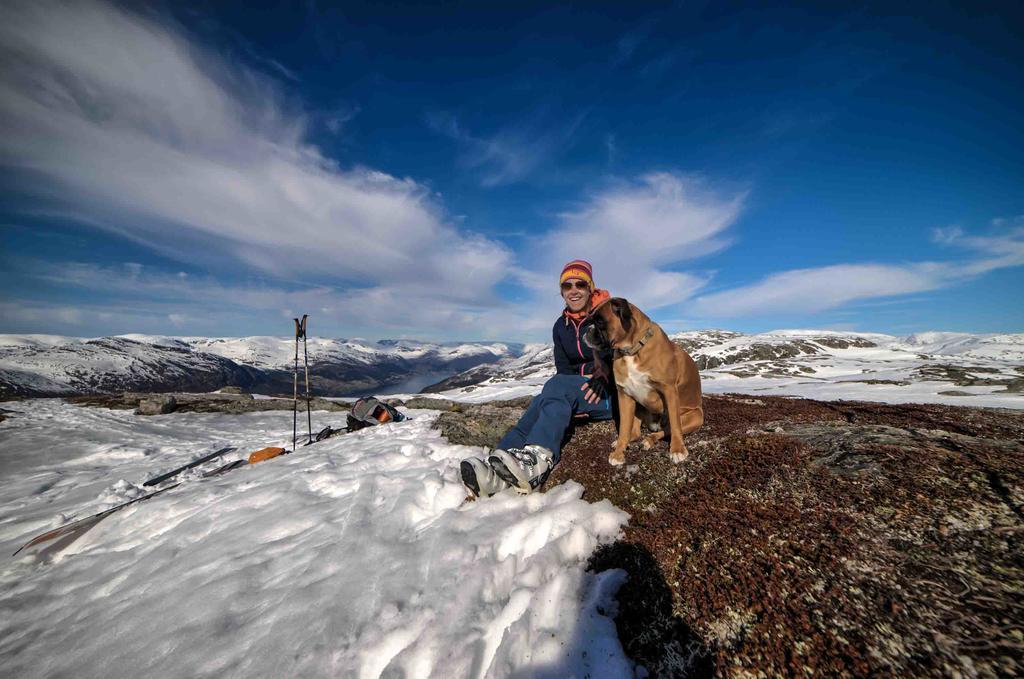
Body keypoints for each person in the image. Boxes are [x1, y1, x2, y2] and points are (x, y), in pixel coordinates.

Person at [461, 259, 614, 497]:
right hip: (580, 393)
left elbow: (631, 357)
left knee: (556, 387)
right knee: (540, 402)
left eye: (580, 284)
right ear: (561, 291)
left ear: (590, 287)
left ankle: (538, 461)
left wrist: (607, 375)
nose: (573, 290)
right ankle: (496, 470)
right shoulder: (560, 326)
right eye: (567, 286)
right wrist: (569, 401)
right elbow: (564, 370)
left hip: (612, 394)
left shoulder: (608, 316)